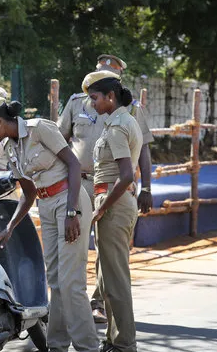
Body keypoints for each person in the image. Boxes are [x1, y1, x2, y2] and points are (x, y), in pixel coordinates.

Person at [0, 97, 103, 352]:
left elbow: (73, 165)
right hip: (45, 205)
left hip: (69, 199)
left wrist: (71, 211)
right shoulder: (10, 147)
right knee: (55, 280)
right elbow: (29, 192)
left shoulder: (40, 128)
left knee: (71, 281)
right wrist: (10, 228)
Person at [58, 54, 154, 324]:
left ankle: (99, 303)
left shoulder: (131, 109)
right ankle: (71, 302)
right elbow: (60, 141)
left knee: (107, 249)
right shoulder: (77, 103)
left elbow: (144, 149)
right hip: (80, 183)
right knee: (72, 241)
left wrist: (146, 187)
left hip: (113, 186)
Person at [83, 70, 142, 352]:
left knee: (116, 280)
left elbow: (126, 175)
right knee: (107, 278)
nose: (92, 103)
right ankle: (115, 340)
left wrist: (101, 208)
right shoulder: (120, 121)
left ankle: (125, 347)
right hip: (114, 201)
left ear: (110, 96)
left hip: (113, 203)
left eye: (95, 98)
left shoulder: (118, 126)